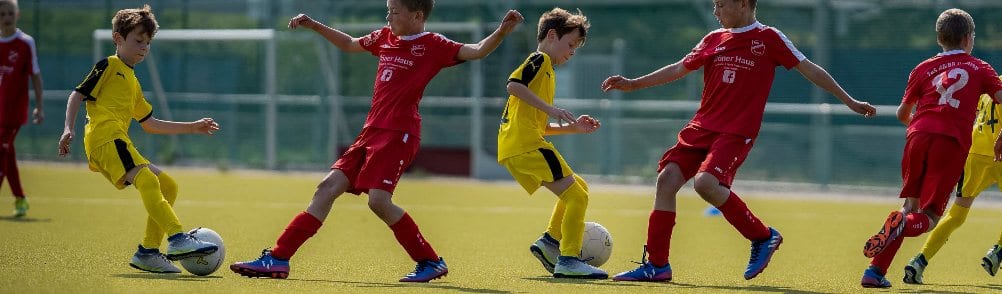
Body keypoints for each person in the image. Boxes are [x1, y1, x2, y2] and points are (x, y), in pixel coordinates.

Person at [228, 0, 522, 283]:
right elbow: (349, 44)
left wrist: (501, 31)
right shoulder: (385, 37)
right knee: (327, 187)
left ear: (417, 16)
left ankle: (429, 261)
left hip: (398, 133)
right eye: (387, 11)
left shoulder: (433, 44)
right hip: (370, 132)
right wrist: (314, 25)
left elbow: (477, 50)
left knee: (379, 201)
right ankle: (278, 258)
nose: (388, 18)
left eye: (394, 12)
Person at [601, 0, 877, 282]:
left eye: (721, 4)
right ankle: (658, 266)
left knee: (705, 183)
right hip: (701, 127)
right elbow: (679, 68)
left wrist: (849, 100)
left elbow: (811, 69)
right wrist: (634, 83)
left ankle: (763, 236)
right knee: (667, 179)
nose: (715, 11)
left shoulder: (769, 38)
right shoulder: (714, 39)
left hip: (735, 131)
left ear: (744, 4)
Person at [858, 8, 1002, 288]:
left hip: (918, 136)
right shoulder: (980, 67)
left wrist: (919, 127)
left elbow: (903, 113)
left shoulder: (922, 68)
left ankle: (874, 273)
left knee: (909, 206)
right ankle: (897, 231)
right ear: (968, 39)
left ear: (939, 39)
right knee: (931, 217)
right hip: (950, 143)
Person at [57, 4, 222, 274]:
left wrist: (192, 127)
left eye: (147, 43)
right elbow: (77, 94)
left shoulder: (133, 82)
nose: (143, 47)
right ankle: (178, 238)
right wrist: (67, 128)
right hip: (105, 138)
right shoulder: (109, 65)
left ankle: (147, 252)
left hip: (118, 141)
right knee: (146, 178)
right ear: (118, 39)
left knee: (167, 186)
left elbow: (150, 124)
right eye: (137, 41)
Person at [903, 32, 1002, 285]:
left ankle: (919, 260)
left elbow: (986, 104)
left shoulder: (1000, 78)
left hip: (974, 152)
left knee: (957, 214)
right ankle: (998, 250)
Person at [500, 8, 607, 279]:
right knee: (577, 196)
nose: (571, 52)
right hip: (525, 145)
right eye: (570, 44)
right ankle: (568, 259)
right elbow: (513, 85)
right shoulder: (539, 59)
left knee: (578, 187)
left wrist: (573, 127)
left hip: (519, 145)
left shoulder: (546, 71)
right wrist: (552, 108)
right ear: (551, 35)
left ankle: (550, 242)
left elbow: (538, 125)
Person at [0, 0, 42, 218]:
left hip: (14, 111)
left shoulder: (25, 43)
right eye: (2, 14)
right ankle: (20, 198)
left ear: (17, 15)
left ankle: (19, 198)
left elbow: (35, 74)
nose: (6, 17)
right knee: (7, 154)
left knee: (1, 151)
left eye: (10, 13)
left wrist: (39, 106)